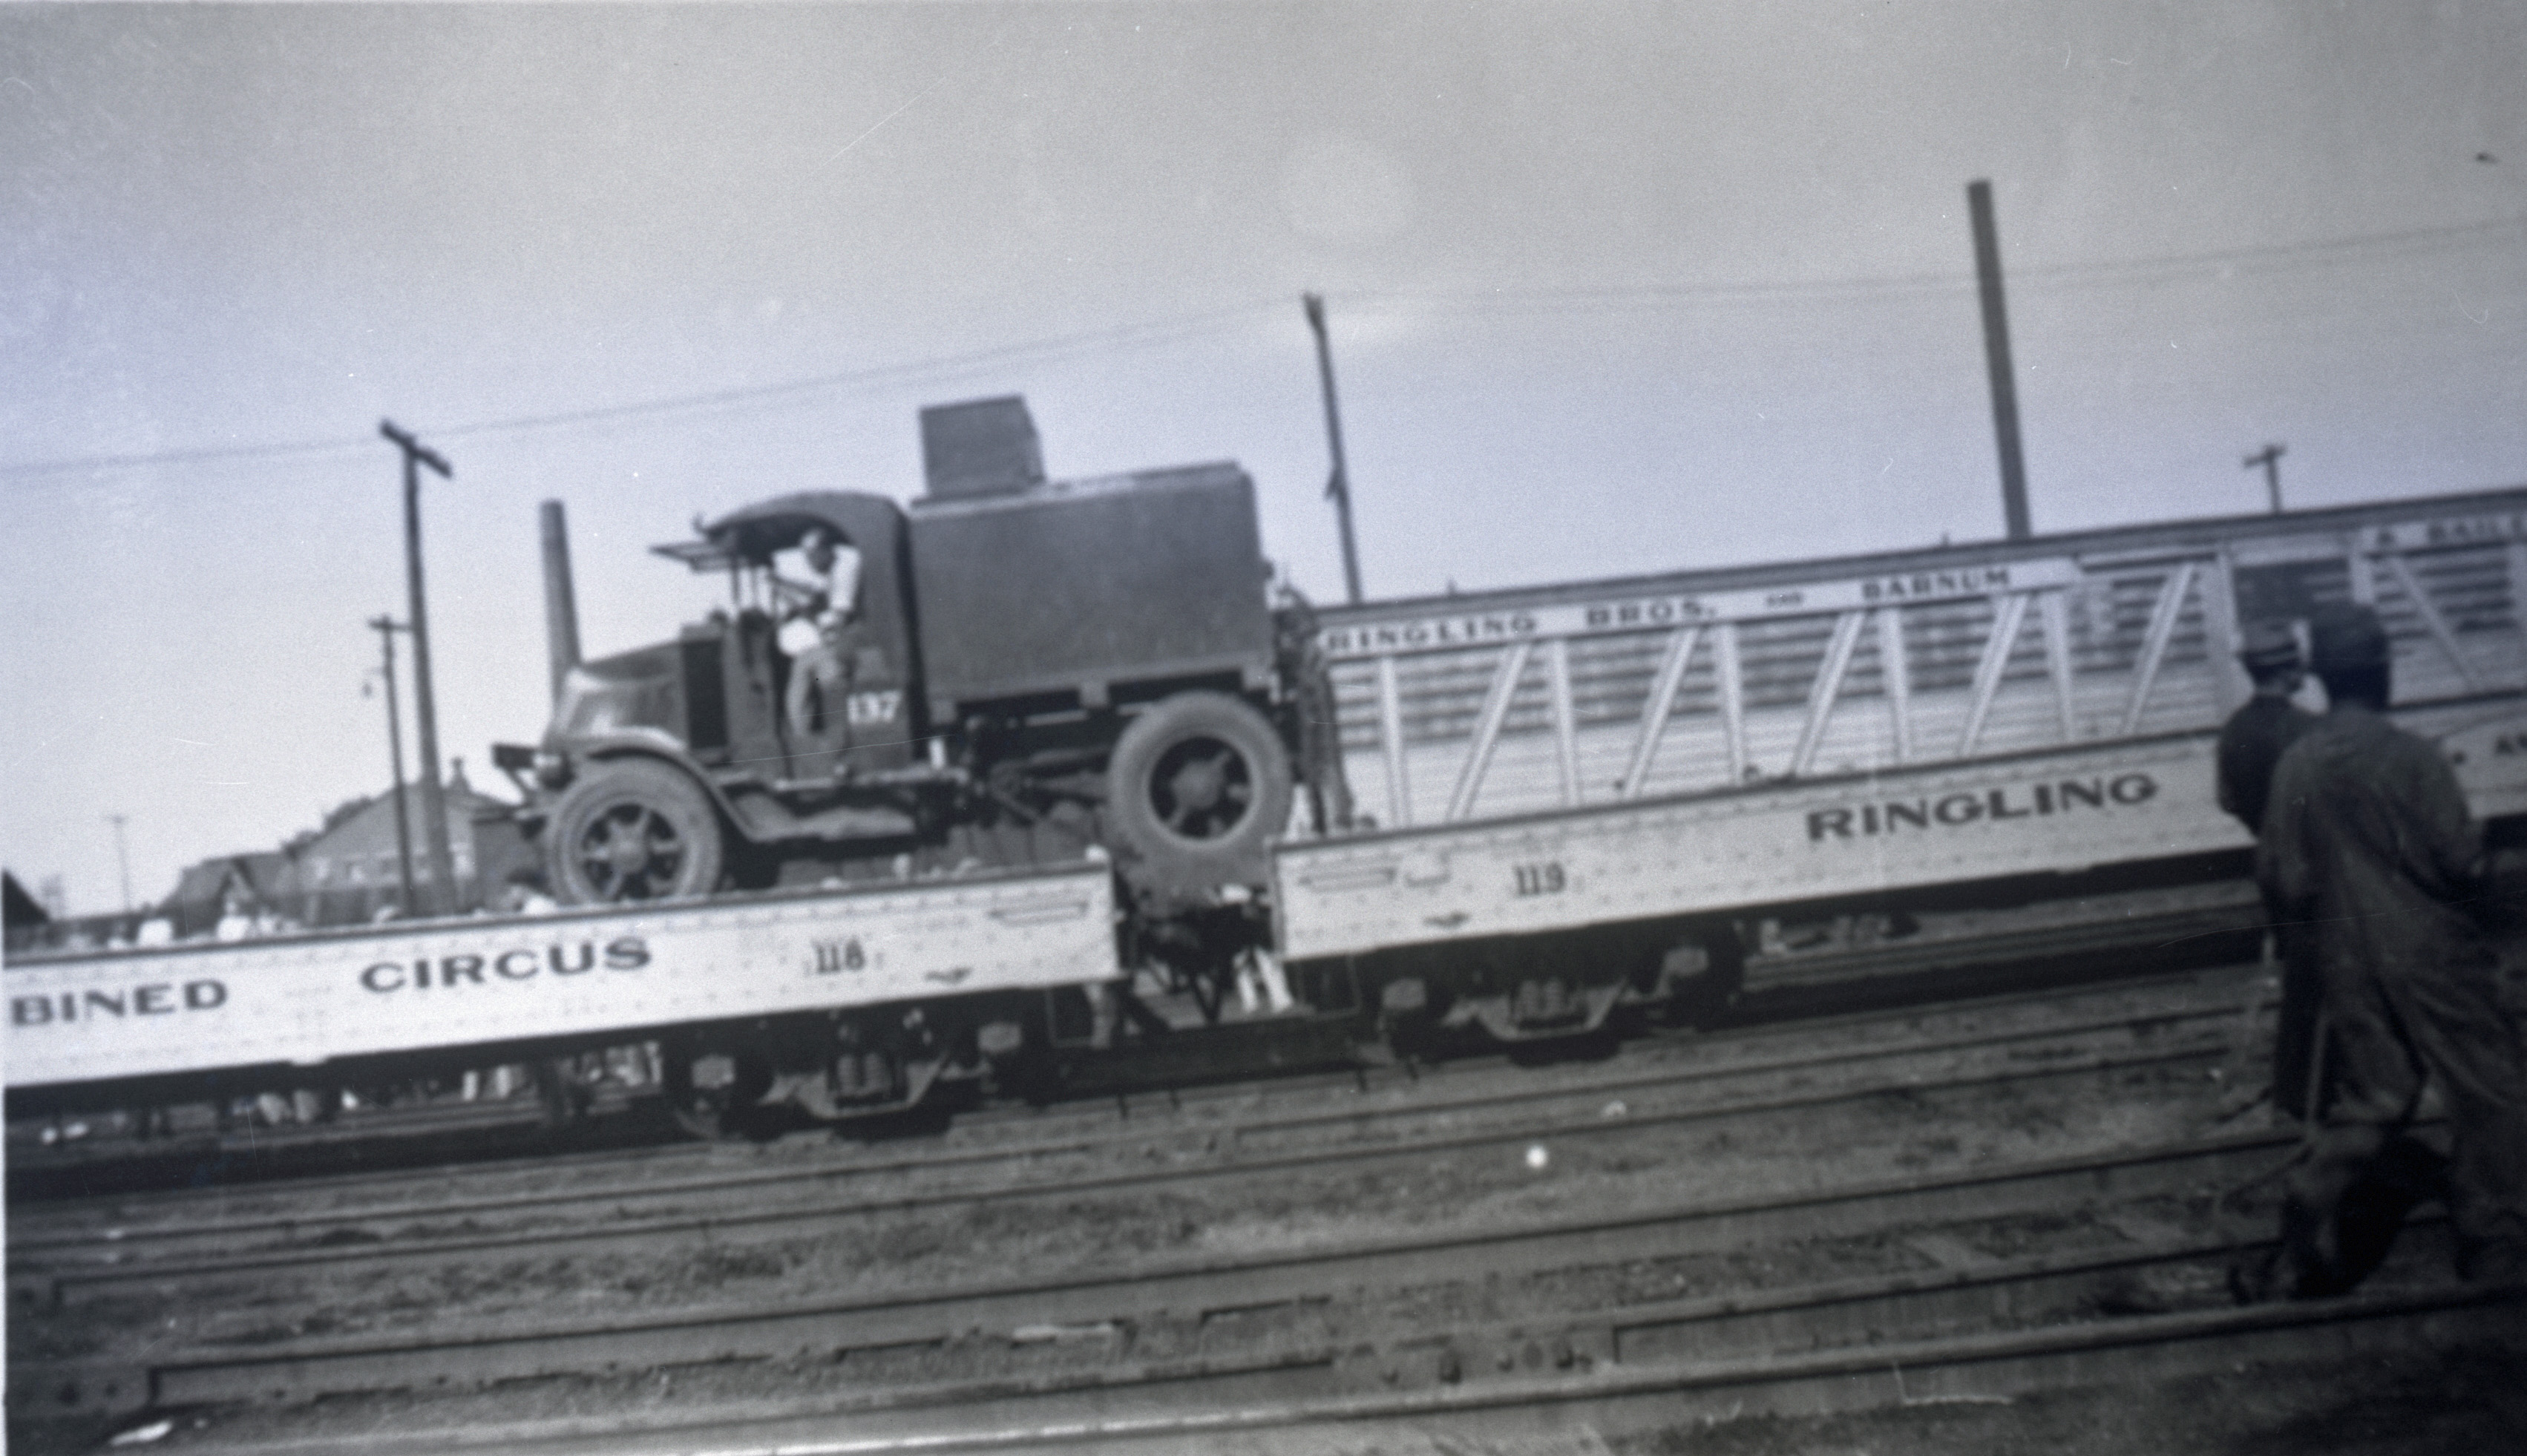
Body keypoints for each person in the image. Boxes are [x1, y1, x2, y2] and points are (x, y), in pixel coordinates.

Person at [2241, 603, 2527, 1298]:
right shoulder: (2411, 757)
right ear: (2383, 672)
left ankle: (2300, 1249)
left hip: (2348, 959)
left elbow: (2281, 874)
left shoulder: (2298, 764)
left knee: (2372, 1103)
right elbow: (2459, 864)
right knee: (2494, 1095)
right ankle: (2494, 1248)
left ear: (2320, 677)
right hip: (2434, 954)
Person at [2215, 620, 2324, 1121]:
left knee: (2299, 976)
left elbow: (2227, 799)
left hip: (2270, 865)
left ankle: (2296, 1090)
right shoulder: (2306, 730)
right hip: (2318, 870)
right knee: (2331, 979)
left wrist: (2264, 828)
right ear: (2287, 668)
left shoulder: (2235, 730)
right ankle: (2314, 1094)